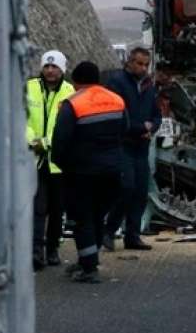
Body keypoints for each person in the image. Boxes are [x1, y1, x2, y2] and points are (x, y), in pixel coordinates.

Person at [51, 61, 127, 283]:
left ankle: (89, 269)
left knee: (82, 218)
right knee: (96, 215)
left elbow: (60, 141)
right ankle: (88, 260)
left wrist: (63, 165)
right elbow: (124, 132)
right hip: (113, 171)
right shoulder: (116, 100)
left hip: (81, 173)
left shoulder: (72, 103)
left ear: (76, 82)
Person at [103, 47, 162, 252]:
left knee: (140, 192)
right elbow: (118, 113)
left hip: (142, 146)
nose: (143, 68)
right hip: (124, 144)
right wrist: (140, 128)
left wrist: (152, 127)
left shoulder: (148, 86)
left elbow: (156, 114)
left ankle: (132, 235)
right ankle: (109, 231)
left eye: (146, 64)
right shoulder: (117, 82)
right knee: (125, 188)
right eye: (139, 63)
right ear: (130, 62)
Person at [26, 50, 75, 270]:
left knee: (57, 209)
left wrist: (47, 142)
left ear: (62, 69)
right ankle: (36, 252)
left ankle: (52, 249)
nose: (50, 70)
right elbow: (20, 117)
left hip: (58, 160)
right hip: (35, 159)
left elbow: (66, 126)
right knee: (38, 208)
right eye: (47, 66)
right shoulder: (30, 87)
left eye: (55, 67)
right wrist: (32, 140)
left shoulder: (69, 91)